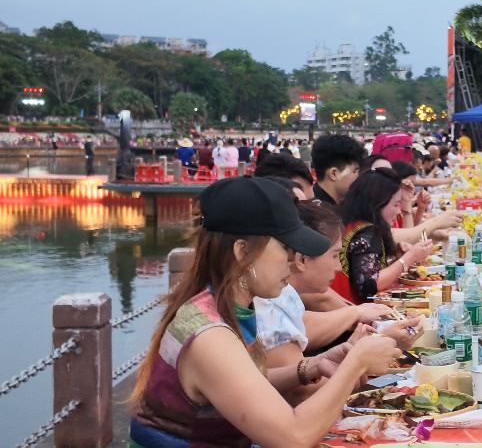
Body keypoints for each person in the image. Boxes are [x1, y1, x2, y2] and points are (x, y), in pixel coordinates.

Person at [129, 176, 400, 447]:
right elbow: (293, 437)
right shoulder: (210, 336)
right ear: (242, 252)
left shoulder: (224, 306)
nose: (293, 260)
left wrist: (310, 367)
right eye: (285, 247)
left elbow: (243, 384)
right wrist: (356, 364)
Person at [255, 200, 419, 368]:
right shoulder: (265, 301)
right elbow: (310, 383)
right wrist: (379, 339)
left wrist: (361, 325)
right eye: (335, 255)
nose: (339, 267)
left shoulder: (284, 292)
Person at [334, 168, 433, 304]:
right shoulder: (366, 233)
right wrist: (409, 258)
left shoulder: (351, 223)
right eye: (395, 204)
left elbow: (365, 272)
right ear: (377, 204)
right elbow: (368, 285)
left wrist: (399, 260)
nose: (398, 211)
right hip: (351, 311)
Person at [310, 134, 365, 206]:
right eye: (355, 171)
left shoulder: (312, 202)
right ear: (334, 174)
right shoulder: (316, 211)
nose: (358, 176)